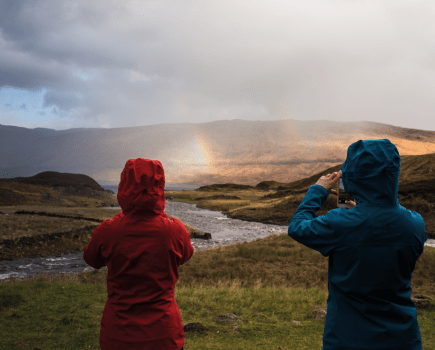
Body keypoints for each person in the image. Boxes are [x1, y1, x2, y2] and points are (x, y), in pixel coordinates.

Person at [288, 139, 427, 350]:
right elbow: (383, 226)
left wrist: (317, 190)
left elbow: (297, 226)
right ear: (393, 176)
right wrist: (364, 210)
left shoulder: (341, 224)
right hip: (403, 339)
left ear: (352, 178)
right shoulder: (415, 224)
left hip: (347, 339)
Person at [83, 158, 194, 350]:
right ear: (160, 187)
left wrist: (120, 219)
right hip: (164, 336)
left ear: (124, 186)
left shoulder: (108, 231)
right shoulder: (175, 230)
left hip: (118, 337)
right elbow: (185, 256)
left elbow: (91, 259)